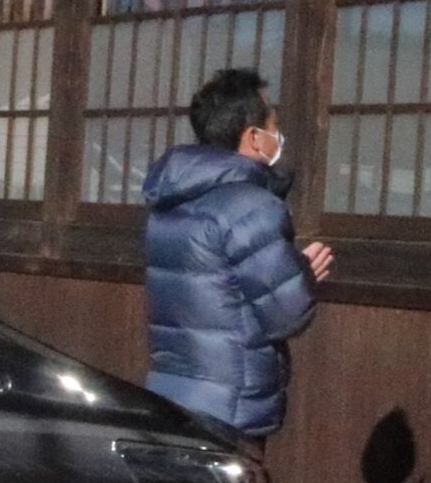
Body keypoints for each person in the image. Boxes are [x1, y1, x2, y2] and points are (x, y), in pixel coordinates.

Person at [142, 68, 334, 448]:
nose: (278, 137)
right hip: (232, 402)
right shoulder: (251, 206)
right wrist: (305, 275)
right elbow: (287, 314)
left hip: (172, 391)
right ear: (252, 136)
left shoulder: (169, 202)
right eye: (273, 126)